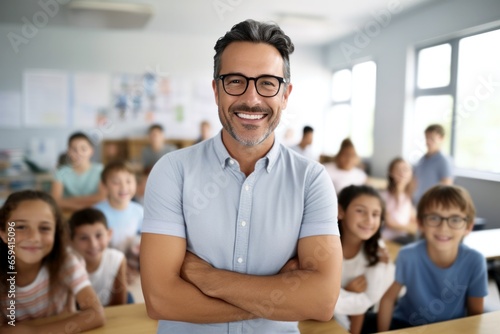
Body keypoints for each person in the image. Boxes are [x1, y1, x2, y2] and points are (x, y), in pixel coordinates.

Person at [140, 19, 342, 333]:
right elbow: (160, 300)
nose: (251, 99)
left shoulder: (312, 180)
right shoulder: (172, 171)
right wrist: (277, 298)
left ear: (285, 94)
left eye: (267, 83)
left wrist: (207, 279)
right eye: (235, 81)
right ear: (216, 91)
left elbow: (321, 302)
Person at [377, 185, 488, 331]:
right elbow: (388, 299)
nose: (443, 227)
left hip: (450, 329)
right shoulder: (408, 256)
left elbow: (475, 315)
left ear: (468, 227)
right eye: (434, 218)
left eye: (455, 219)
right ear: (420, 223)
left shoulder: (475, 261)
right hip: (406, 325)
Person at [0, 190, 105, 332]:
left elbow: (96, 314)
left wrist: (34, 332)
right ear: (4, 234)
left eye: (44, 228)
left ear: (55, 233)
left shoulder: (66, 262)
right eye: (20, 227)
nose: (34, 237)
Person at [333, 185, 394, 334]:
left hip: (354, 321)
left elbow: (364, 304)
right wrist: (347, 292)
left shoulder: (377, 253)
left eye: (376, 214)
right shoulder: (324, 247)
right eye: (360, 211)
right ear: (340, 211)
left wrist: (339, 295)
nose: (369, 220)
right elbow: (313, 295)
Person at [69, 207, 128, 306]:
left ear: (109, 234)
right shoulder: (67, 263)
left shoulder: (117, 259)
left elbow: (119, 302)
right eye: (84, 238)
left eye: (98, 235)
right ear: (71, 240)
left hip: (108, 308)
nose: (93, 244)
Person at [94, 161, 143, 274]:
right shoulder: (97, 213)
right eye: (116, 182)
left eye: (128, 181)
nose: (124, 187)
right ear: (104, 186)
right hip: (105, 268)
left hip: (132, 267)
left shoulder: (140, 211)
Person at [51, 132, 106, 212]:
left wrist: (67, 201)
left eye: (83, 149)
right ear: (68, 151)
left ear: (91, 151)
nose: (79, 153)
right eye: (74, 149)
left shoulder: (101, 170)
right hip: (69, 213)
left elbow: (102, 197)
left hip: (96, 213)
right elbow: (55, 200)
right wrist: (85, 204)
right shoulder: (61, 172)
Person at [413, 124, 453, 204]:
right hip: (418, 204)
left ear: (441, 138)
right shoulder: (422, 159)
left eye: (432, 139)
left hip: (431, 205)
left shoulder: (443, 161)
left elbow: (446, 188)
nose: (428, 142)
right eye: (427, 138)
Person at [381, 157, 418, 244]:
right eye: (398, 169)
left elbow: (413, 217)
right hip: (390, 239)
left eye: (406, 169)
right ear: (391, 173)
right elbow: (389, 222)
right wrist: (411, 228)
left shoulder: (407, 196)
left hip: (404, 236)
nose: (402, 173)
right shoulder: (385, 195)